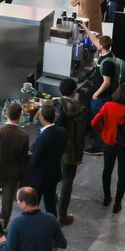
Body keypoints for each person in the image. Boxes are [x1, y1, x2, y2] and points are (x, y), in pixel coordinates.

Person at [91, 84, 125, 213]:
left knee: (107, 171)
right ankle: (117, 204)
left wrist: (103, 133)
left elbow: (94, 122)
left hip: (109, 145)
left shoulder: (107, 106)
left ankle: (106, 197)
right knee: (122, 175)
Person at [0, 103, 30, 228]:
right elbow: (23, 159)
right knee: (7, 202)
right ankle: (3, 226)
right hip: (12, 176)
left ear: (6, 114)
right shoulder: (24, 136)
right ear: (19, 116)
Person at [85, 35, 125, 155]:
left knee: (98, 120)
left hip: (101, 97)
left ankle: (99, 146)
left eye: (98, 43)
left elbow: (107, 82)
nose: (96, 44)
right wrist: (86, 29)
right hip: (101, 96)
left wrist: (96, 95)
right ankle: (96, 140)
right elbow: (95, 40)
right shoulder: (107, 55)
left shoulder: (106, 62)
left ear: (101, 47)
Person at [55, 80, 86, 226]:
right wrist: (78, 157)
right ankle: (62, 214)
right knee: (67, 180)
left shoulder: (52, 104)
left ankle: (53, 197)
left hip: (53, 147)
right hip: (69, 150)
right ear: (74, 92)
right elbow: (79, 136)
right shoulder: (79, 110)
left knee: (53, 175)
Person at [27, 104, 66, 218]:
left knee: (33, 205)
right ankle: (53, 226)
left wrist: (30, 155)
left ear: (42, 118)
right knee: (50, 204)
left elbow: (35, 161)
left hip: (40, 177)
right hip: (53, 173)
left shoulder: (43, 137)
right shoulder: (62, 131)